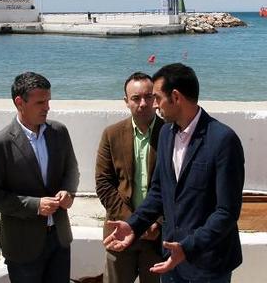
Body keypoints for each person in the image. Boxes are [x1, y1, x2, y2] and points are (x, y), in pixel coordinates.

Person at [104, 63, 245, 283]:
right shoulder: (166, 135)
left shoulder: (223, 140)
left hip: (209, 266)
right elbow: (159, 191)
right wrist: (134, 224)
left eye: (157, 98)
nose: (156, 106)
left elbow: (226, 212)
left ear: (176, 97)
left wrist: (187, 248)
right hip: (170, 262)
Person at [0, 72, 80, 283]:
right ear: (20, 102)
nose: (47, 107)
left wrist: (68, 192)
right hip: (22, 245)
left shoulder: (59, 132)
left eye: (48, 101)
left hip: (60, 238)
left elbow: (71, 170)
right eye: (40, 102)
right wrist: (34, 205)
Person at [95, 72, 165, 283]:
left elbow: (176, 186)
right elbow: (103, 183)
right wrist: (133, 224)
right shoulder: (112, 134)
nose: (142, 103)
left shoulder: (170, 133)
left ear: (155, 99)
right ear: (126, 102)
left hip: (156, 235)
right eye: (136, 98)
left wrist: (157, 224)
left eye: (148, 97)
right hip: (119, 230)